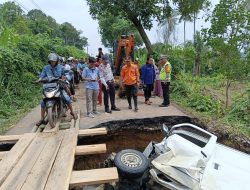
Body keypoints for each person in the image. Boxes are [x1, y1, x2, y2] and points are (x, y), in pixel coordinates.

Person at [36, 53, 78, 126]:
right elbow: (42, 75)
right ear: (49, 61)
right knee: (43, 103)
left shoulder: (61, 67)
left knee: (67, 99)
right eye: (51, 61)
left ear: (57, 61)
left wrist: (65, 77)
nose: (52, 62)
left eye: (54, 61)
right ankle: (42, 119)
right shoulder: (45, 68)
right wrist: (39, 80)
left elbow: (67, 73)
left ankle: (72, 112)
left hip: (59, 85)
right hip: (48, 87)